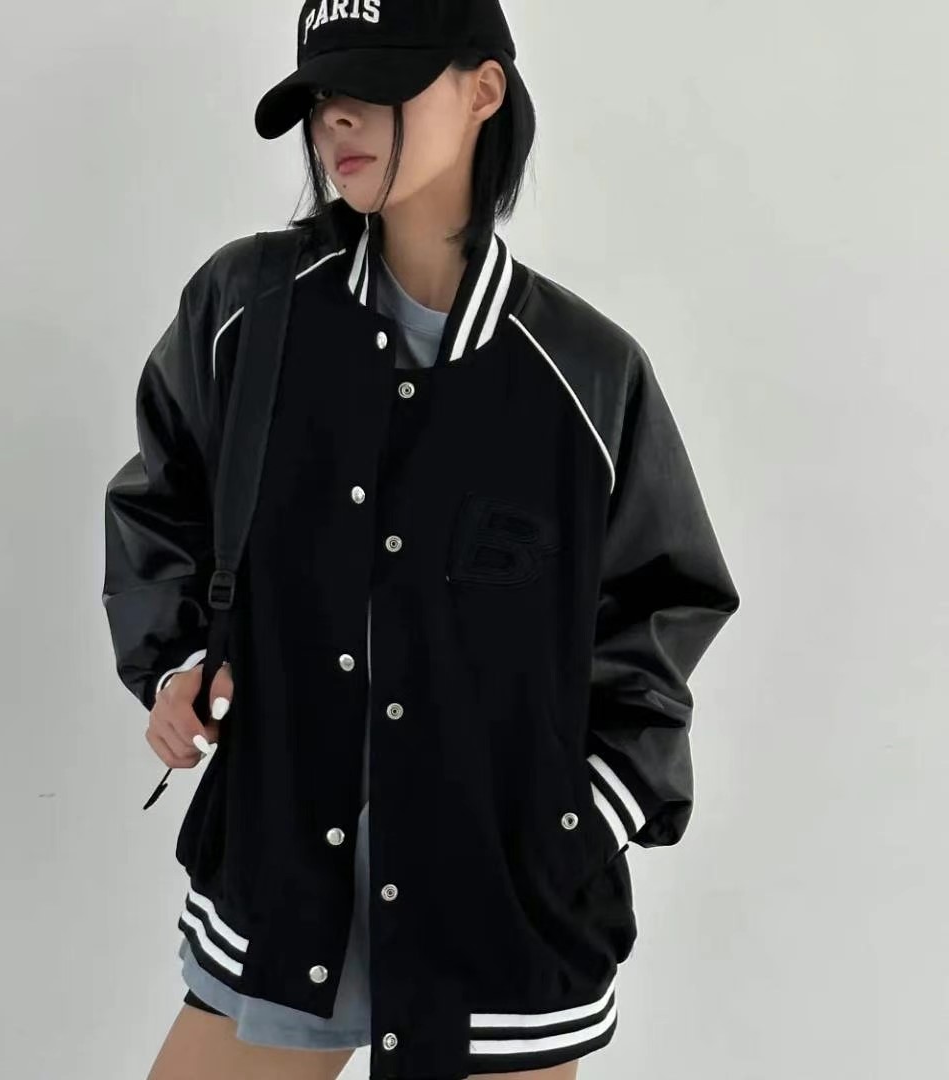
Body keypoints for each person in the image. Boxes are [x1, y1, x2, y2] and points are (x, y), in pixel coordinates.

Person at [101, 3, 740, 1079]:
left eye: (377, 83)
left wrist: (578, 822)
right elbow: (163, 497)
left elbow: (664, 608)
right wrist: (177, 666)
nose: (336, 118)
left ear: (484, 90)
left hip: (498, 902)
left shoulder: (587, 373)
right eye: (320, 96)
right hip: (283, 871)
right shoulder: (249, 310)